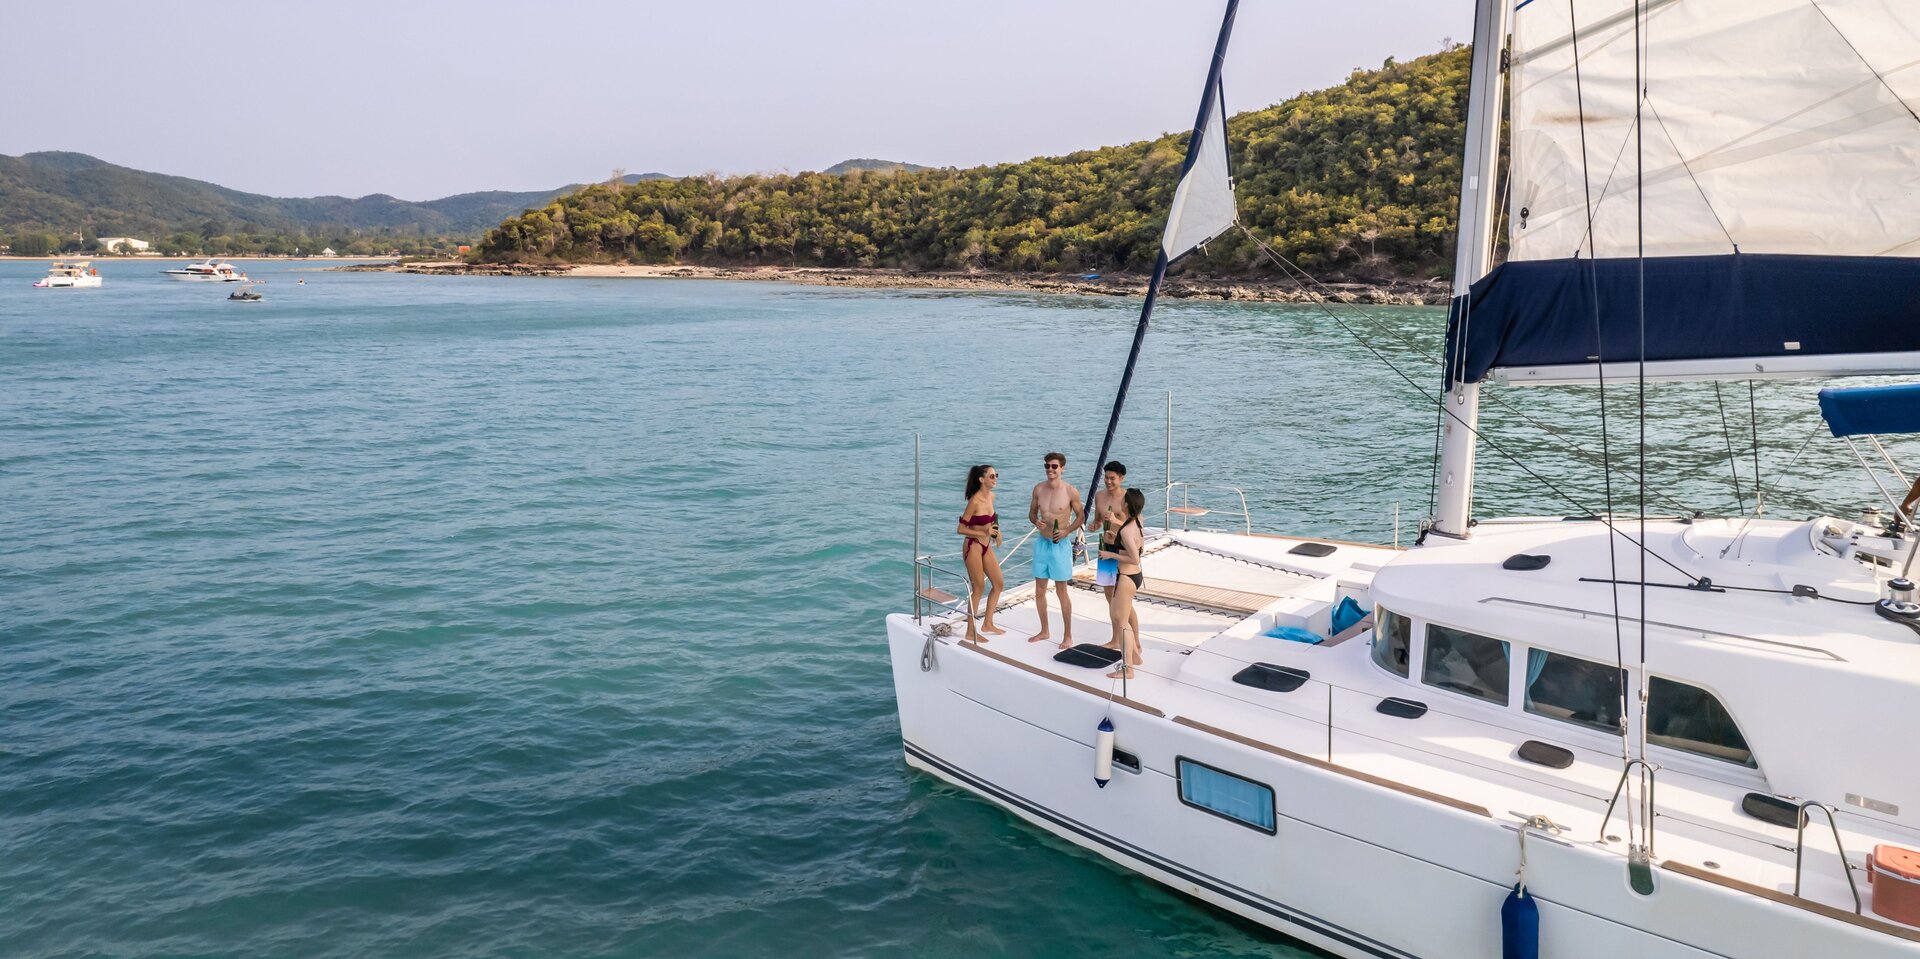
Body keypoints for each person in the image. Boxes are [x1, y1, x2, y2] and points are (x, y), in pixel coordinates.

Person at [1026, 452, 1085, 648]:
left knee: (1061, 591)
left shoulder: (1070, 491)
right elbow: (1032, 513)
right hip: (1042, 543)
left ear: (1062, 468)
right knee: (1040, 590)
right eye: (1047, 466)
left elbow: (1081, 516)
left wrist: (1067, 530)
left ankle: (1068, 636)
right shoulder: (1038, 489)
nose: (1050, 470)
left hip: (1060, 545)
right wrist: (1036, 522)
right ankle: (1044, 630)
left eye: (1054, 466)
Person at [1087, 461, 1138, 653]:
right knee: (1110, 597)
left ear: (1121, 478)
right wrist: (1095, 526)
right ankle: (1116, 639)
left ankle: (1137, 641)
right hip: (1106, 549)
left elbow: (1135, 527)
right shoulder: (1100, 496)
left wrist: (1116, 521)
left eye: (1112, 478)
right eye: (1106, 477)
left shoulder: (1127, 499)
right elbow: (1098, 521)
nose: (1108, 481)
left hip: (1122, 551)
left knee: (1123, 601)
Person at [1101, 487, 1148, 679]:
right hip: (1134, 576)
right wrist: (1114, 543)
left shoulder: (1128, 529)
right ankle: (1134, 656)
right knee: (1121, 617)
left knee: (1121, 621)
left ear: (1126, 504)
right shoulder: (1137, 521)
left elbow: (1135, 557)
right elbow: (1136, 548)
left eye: (1123, 500)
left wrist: (1110, 553)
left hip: (1127, 577)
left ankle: (1128, 669)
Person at [958, 464, 1005, 642]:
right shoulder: (975, 501)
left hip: (987, 546)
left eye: (996, 475)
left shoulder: (991, 497)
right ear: (981, 479)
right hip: (973, 546)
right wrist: (984, 533)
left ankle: (988, 623)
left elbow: (992, 520)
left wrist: (997, 532)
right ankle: (970, 631)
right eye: (992, 476)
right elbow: (961, 529)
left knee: (999, 584)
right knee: (978, 587)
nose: (995, 479)